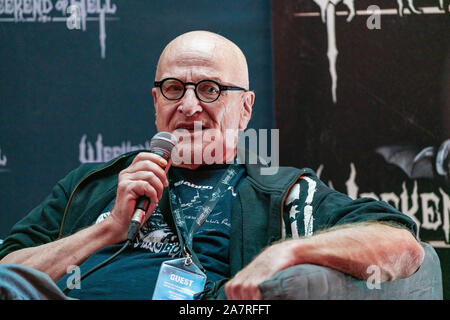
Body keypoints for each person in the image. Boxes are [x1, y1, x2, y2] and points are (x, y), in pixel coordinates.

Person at [0, 30, 424, 300]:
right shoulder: (93, 183)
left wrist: (287, 252)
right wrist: (105, 229)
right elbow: (8, 274)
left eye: (209, 89)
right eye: (172, 88)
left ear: (245, 109)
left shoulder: (280, 192)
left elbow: (402, 247)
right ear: (155, 102)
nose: (188, 105)